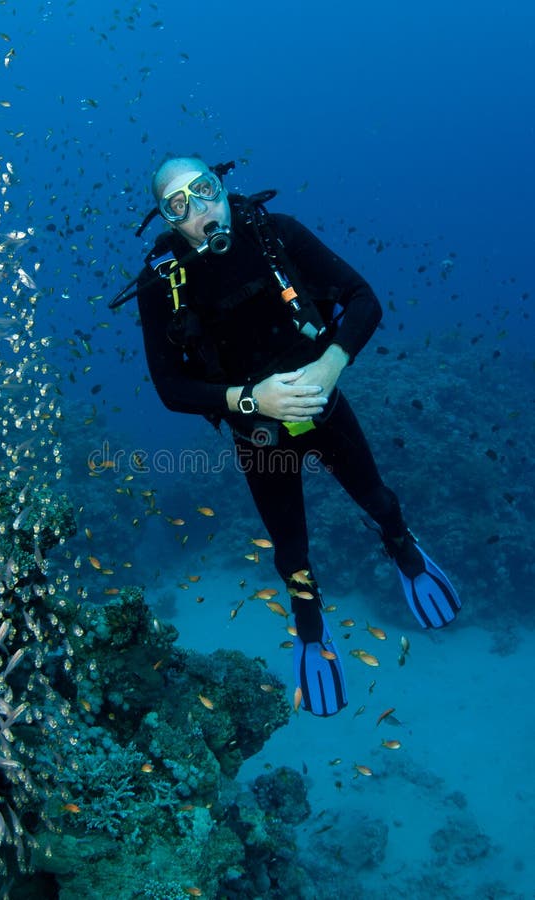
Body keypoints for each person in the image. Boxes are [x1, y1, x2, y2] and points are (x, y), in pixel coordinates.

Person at [130, 155, 460, 716]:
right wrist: (253, 399)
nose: (200, 210)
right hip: (259, 435)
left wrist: (331, 364)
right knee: (291, 548)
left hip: (324, 406)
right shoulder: (163, 283)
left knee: (378, 500)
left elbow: (363, 299)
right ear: (166, 219)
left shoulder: (276, 234)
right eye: (179, 205)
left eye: (204, 190)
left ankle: (404, 549)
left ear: (222, 184)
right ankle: (310, 627)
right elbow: (170, 387)